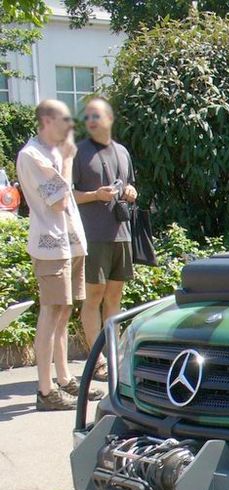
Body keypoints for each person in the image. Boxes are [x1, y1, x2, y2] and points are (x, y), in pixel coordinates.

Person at [16, 100, 99, 410]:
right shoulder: (32, 155)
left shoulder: (49, 152)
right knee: (51, 312)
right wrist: (66, 161)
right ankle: (45, 390)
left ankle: (63, 380)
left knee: (64, 311)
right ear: (47, 121)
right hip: (51, 245)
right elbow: (59, 201)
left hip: (70, 243)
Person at [72, 96, 138, 382]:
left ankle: (113, 355)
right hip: (93, 236)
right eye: (88, 117)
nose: (92, 122)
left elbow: (131, 182)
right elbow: (68, 194)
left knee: (114, 296)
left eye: (97, 116)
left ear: (109, 119)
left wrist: (132, 191)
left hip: (121, 234)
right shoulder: (77, 152)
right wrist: (95, 196)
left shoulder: (122, 151)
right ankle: (96, 360)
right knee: (94, 297)